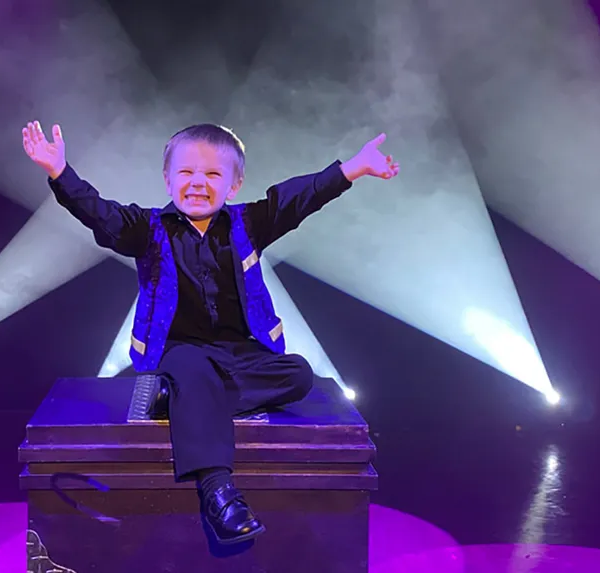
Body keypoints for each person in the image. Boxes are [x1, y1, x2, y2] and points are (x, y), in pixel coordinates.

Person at [22, 121, 399, 545]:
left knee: (297, 375)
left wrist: (352, 169)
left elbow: (298, 199)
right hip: (178, 351)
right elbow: (102, 213)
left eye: (213, 175)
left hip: (239, 354)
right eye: (186, 173)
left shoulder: (249, 224)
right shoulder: (148, 229)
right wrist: (60, 172)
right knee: (193, 369)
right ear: (167, 179)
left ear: (234, 184)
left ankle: (177, 400)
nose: (198, 183)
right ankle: (219, 493)